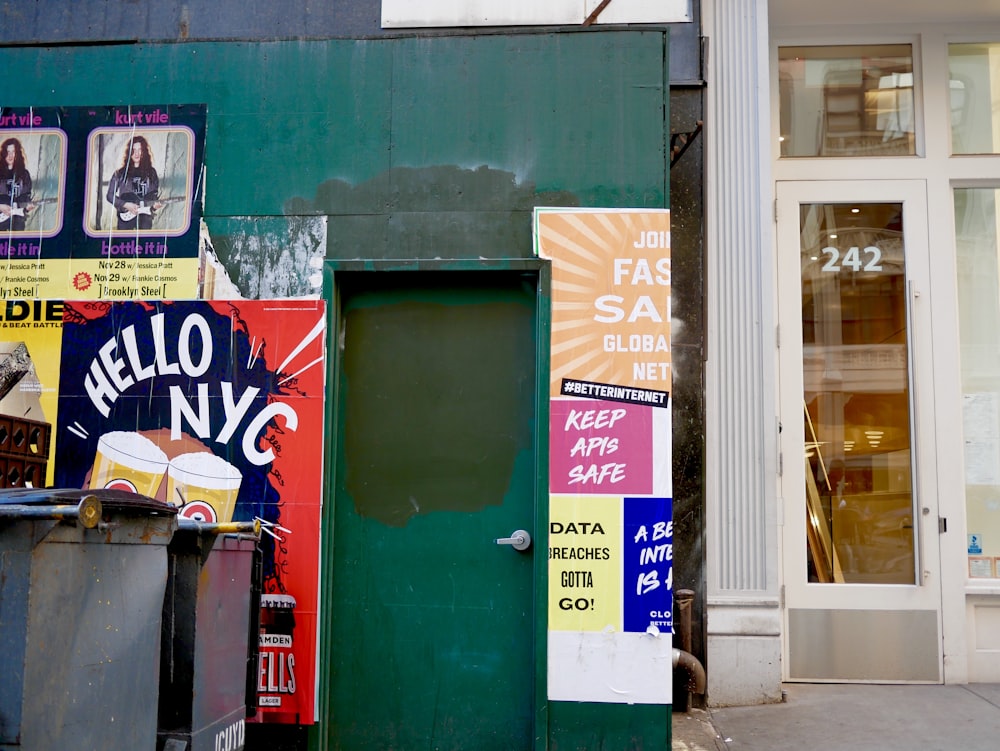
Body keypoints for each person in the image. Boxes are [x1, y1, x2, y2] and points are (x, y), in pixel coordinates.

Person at [106, 135, 161, 230]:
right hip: (126, 216)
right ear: (129, 152)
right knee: (124, 244)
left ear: (144, 151)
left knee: (145, 244)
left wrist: (155, 207)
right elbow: (110, 195)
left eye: (140, 150)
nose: (137, 153)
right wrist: (125, 204)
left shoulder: (151, 172)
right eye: (133, 150)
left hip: (145, 218)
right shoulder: (119, 173)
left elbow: (153, 195)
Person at [0, 137, 33, 231]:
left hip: (17, 221)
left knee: (17, 244)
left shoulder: (24, 174)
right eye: (8, 152)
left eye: (13, 152)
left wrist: (28, 207)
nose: (10, 155)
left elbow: (26, 196)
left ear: (17, 154)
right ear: (3, 153)